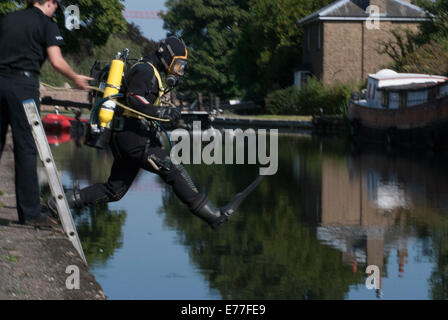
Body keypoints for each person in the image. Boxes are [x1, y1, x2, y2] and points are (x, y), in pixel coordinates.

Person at [50, 37, 262, 229]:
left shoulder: (150, 72)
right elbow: (135, 99)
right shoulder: (145, 70)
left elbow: (144, 107)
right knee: (173, 170)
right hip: (134, 138)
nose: (179, 70)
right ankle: (214, 216)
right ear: (167, 56)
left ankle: (60, 202)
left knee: (114, 191)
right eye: (178, 64)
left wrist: (174, 117)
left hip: (129, 136)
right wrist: (161, 111)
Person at [0, 0, 91, 226]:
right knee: (26, 149)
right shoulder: (47, 24)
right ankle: (30, 214)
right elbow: (57, 61)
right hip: (24, 86)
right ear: (49, 2)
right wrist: (76, 78)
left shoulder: (8, 18)